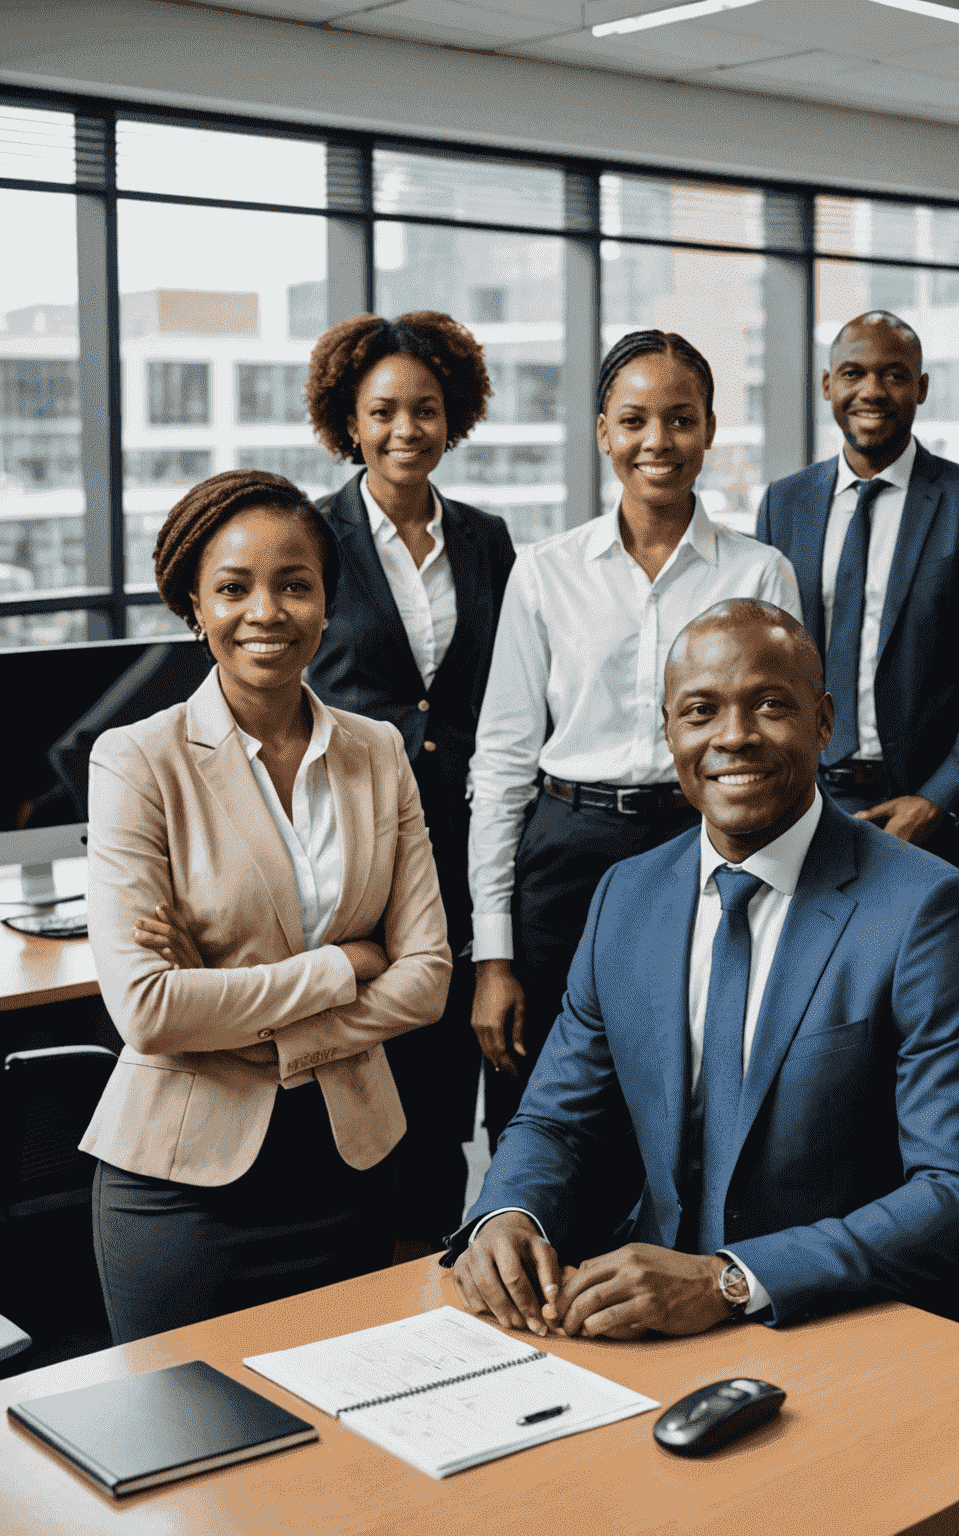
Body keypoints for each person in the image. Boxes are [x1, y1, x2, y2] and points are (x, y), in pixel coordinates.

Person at [447, 598, 959, 1340]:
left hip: (850, 1322)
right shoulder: (628, 895)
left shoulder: (924, 909)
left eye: (771, 705)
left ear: (823, 722)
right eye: (701, 711)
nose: (734, 737)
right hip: (651, 1314)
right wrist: (507, 1213)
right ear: (669, 733)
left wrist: (731, 1281)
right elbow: (557, 1117)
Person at [81, 470, 452, 1344]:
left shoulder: (378, 751)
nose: (268, 612)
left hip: (350, 1165)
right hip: (183, 1192)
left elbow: (431, 978)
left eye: (295, 586)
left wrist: (244, 1004)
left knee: (347, 1456)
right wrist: (346, 965)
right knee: (189, 1460)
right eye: (234, 588)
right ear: (195, 606)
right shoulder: (138, 761)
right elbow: (149, 1009)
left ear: (328, 602)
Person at [468, 331, 801, 1155]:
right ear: (603, 432)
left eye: (681, 419)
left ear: (712, 429)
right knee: (542, 1096)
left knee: (689, 1093)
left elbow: (785, 749)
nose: (659, 441)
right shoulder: (545, 572)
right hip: (565, 852)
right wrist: (492, 956)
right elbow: (505, 762)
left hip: (704, 847)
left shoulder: (759, 573)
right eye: (635, 420)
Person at [304, 310, 515, 1258]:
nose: (405, 430)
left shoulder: (486, 538)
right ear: (348, 420)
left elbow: (508, 690)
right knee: (361, 1076)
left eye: (425, 410)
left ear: (453, 416)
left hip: (470, 840)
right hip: (356, 848)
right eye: (382, 410)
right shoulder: (308, 534)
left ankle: (447, 1259)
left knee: (447, 1081)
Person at [756, 310, 959, 875]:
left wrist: (937, 799)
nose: (872, 391)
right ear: (828, 385)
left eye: (894, 374)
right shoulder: (785, 504)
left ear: (922, 387)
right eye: (853, 373)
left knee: (922, 967)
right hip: (803, 805)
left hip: (927, 812)